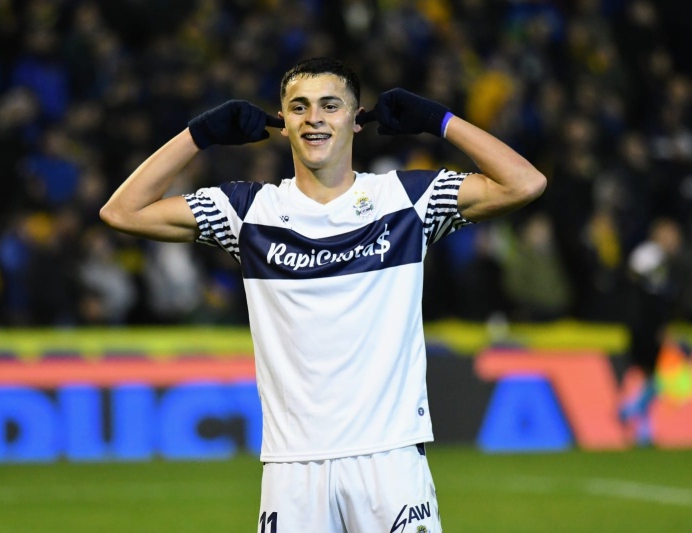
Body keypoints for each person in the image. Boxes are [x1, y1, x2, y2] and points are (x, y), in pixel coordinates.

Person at [101, 57, 546, 533]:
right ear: (283, 122)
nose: (314, 118)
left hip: (389, 460)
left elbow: (525, 183)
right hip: (293, 468)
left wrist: (440, 121)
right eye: (300, 107)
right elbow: (122, 212)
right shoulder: (248, 213)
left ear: (356, 120)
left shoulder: (406, 201)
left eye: (331, 106)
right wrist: (199, 134)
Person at [619, 217, 685, 445]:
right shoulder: (648, 254)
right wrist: (656, 326)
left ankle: (641, 422)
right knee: (652, 373)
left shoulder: (667, 260)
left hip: (649, 322)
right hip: (643, 323)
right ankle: (632, 409)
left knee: (652, 374)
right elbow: (640, 291)